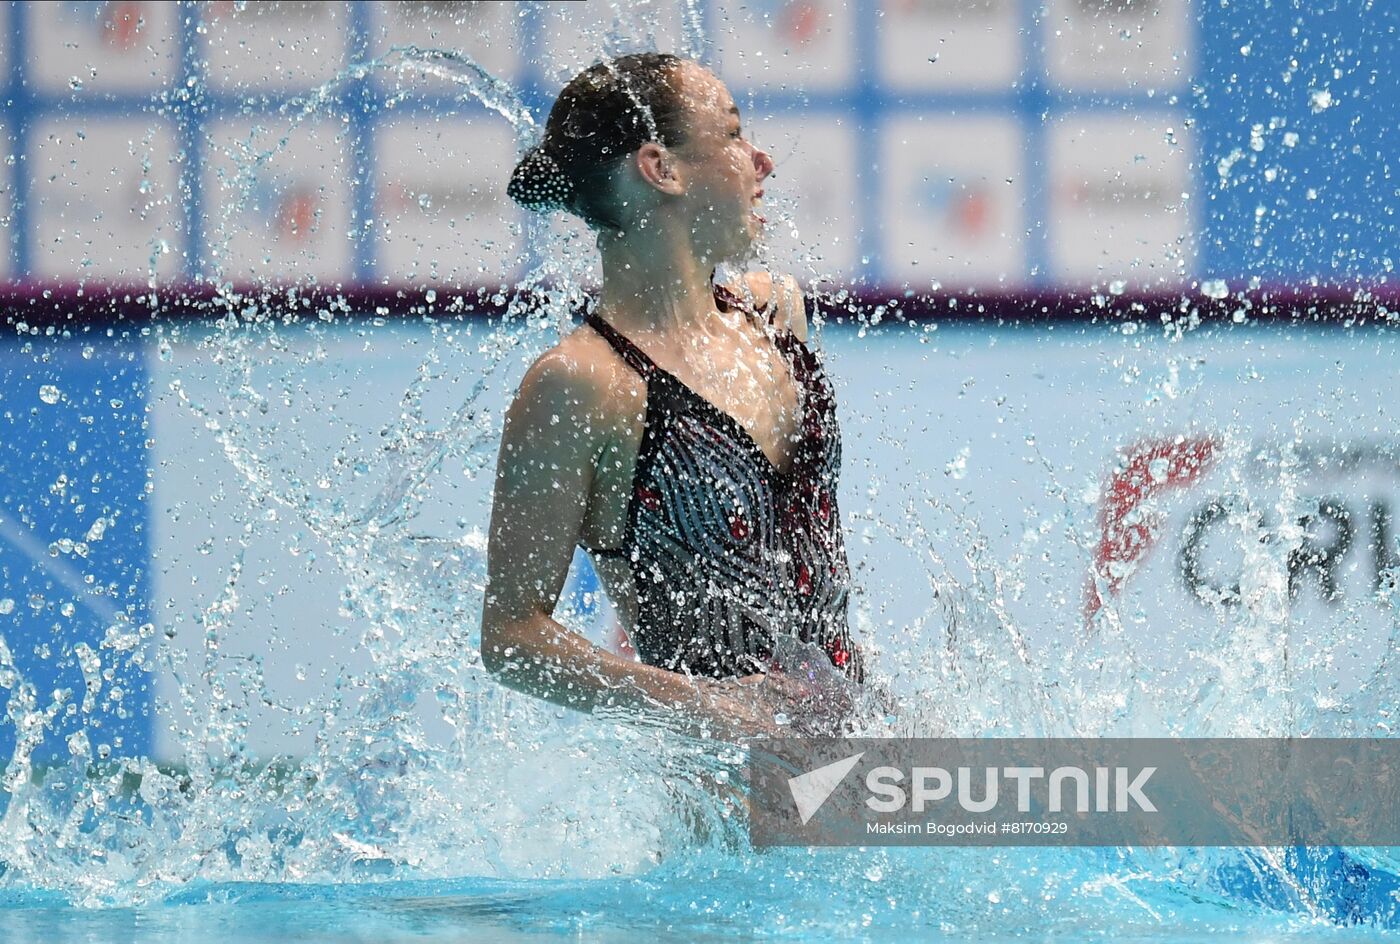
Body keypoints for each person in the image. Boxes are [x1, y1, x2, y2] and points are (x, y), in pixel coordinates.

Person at [480, 53, 866, 744]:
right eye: (734, 135)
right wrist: (708, 707)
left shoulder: (775, 316)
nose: (762, 159)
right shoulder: (582, 384)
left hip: (861, 747)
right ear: (662, 168)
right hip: (727, 796)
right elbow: (512, 639)